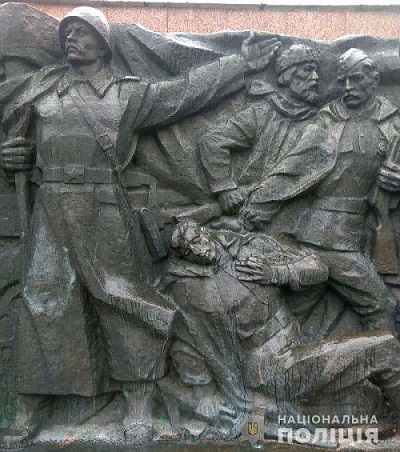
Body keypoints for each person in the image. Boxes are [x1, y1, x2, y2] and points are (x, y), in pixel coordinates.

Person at [0, 6, 281, 448]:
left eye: (82, 32)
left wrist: (239, 64)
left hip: (105, 207)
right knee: (45, 303)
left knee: (125, 302)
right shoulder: (43, 90)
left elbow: (186, 93)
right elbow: (18, 142)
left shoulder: (126, 95)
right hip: (50, 208)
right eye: (67, 32)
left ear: (103, 44)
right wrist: (10, 155)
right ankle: (30, 406)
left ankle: (137, 402)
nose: (71, 38)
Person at [163, 220, 400, 439]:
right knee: (385, 349)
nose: (197, 251)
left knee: (370, 402)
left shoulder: (248, 248)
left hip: (300, 340)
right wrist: (203, 393)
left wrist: (277, 272)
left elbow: (317, 267)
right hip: (275, 368)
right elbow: (186, 340)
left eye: (197, 241)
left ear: (205, 232)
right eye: (188, 252)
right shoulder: (187, 290)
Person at [242, 48, 400, 332]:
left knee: (296, 315)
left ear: (374, 79)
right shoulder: (329, 121)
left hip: (364, 236)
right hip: (328, 238)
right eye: (343, 81)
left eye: (355, 79)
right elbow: (294, 168)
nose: (348, 87)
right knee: (382, 308)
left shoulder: (392, 122)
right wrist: (256, 208)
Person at [200, 44, 319, 221]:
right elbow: (213, 141)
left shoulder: (323, 120)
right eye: (308, 70)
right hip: (250, 210)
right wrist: (225, 189)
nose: (316, 77)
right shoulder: (263, 112)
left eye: (316, 71)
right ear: (288, 75)